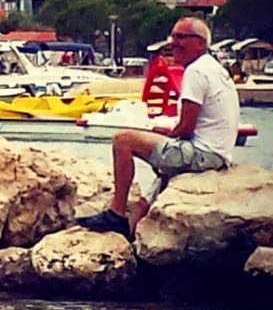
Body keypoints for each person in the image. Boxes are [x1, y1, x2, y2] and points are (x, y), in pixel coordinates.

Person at [77, 17, 240, 241]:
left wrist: (166, 139)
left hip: (202, 154)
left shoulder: (196, 71)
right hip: (218, 154)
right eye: (173, 36)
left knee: (123, 140)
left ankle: (116, 212)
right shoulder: (214, 69)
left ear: (201, 43)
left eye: (181, 37)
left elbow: (186, 127)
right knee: (149, 194)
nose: (174, 42)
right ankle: (130, 234)